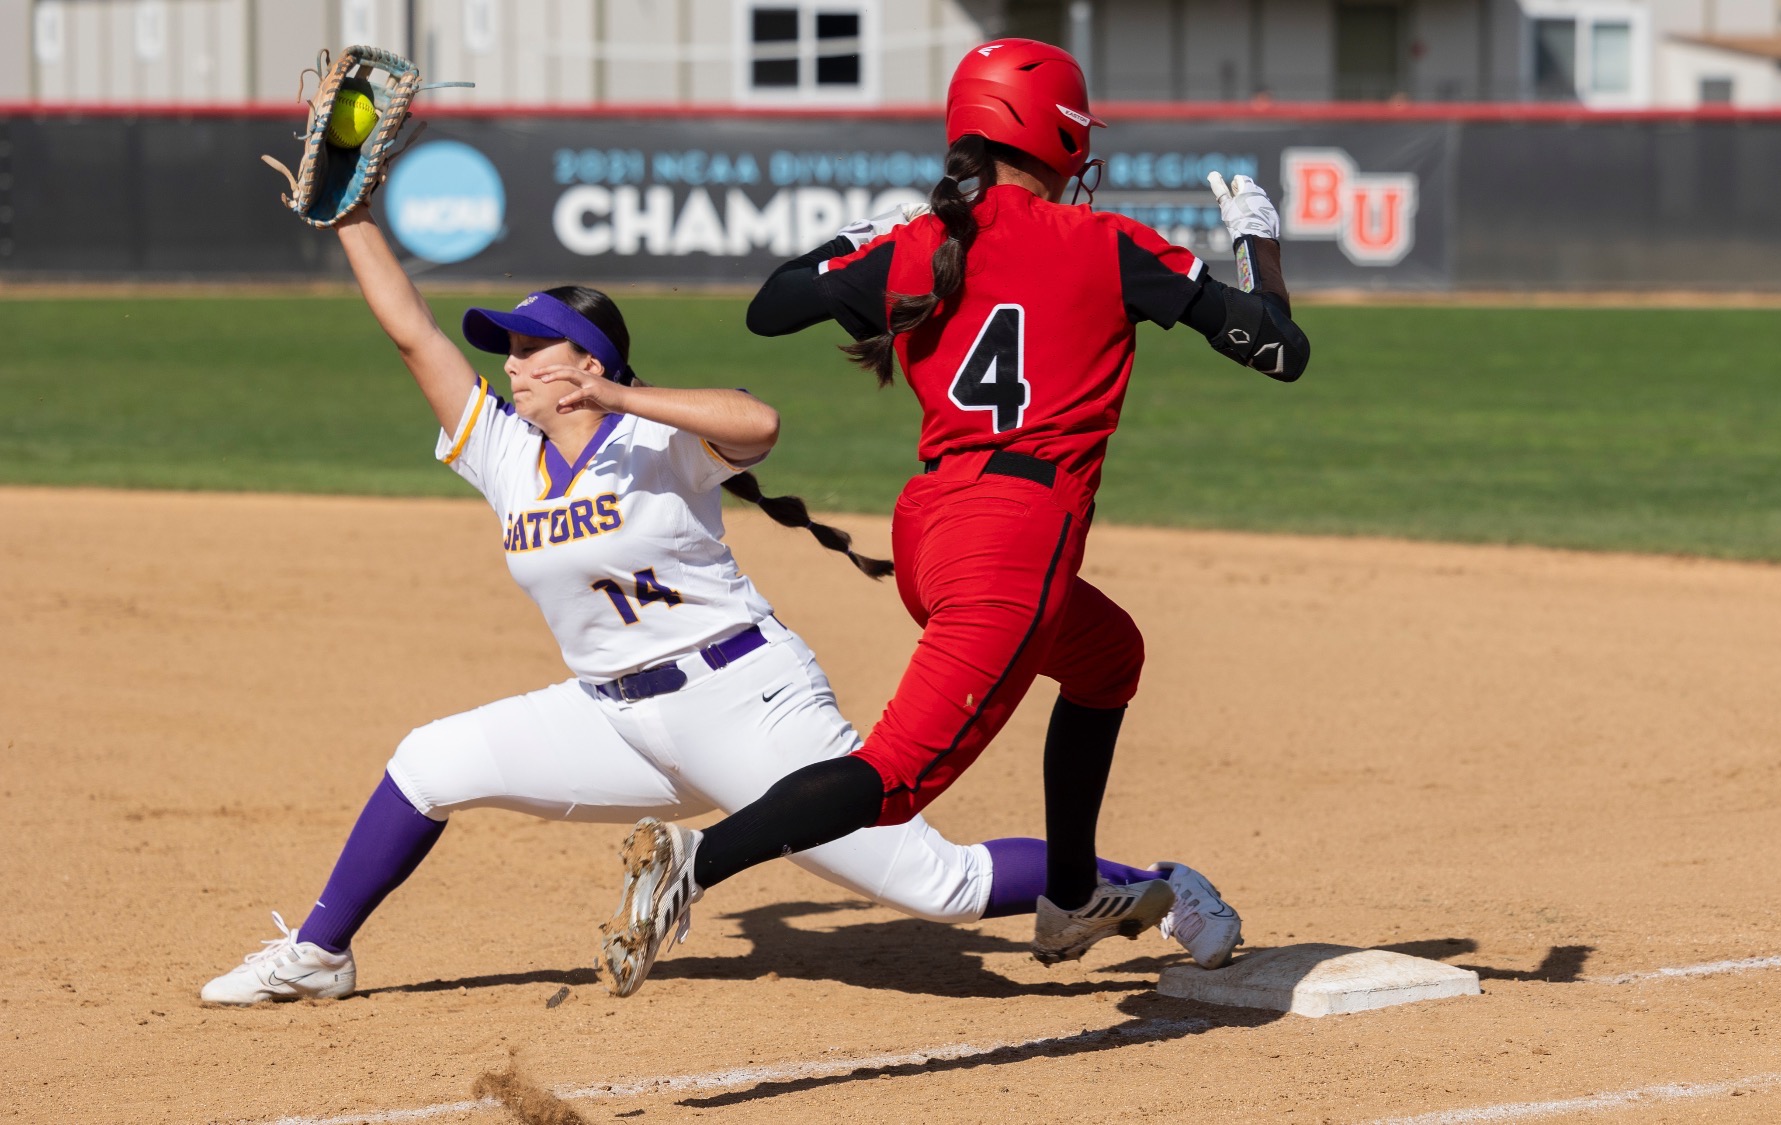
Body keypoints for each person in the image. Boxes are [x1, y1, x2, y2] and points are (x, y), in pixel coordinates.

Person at [198, 201, 1240, 1005]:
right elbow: (415, 338)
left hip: (745, 703)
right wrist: (353, 222)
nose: (508, 364)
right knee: (429, 761)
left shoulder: (656, 438)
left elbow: (759, 420)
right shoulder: (507, 458)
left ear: (587, 363)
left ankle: (1141, 888)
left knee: (942, 885)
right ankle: (316, 954)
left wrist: (616, 397)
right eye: (506, 349)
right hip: (609, 713)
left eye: (529, 347)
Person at [594, 37, 1305, 997]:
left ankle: (1068, 894)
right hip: (1017, 537)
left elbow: (771, 309)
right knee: (892, 781)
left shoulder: (921, 243)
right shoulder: (1108, 243)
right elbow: (1281, 351)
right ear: (1056, 135)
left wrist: (860, 241)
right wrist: (1259, 243)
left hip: (929, 529)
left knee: (1109, 658)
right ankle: (694, 864)